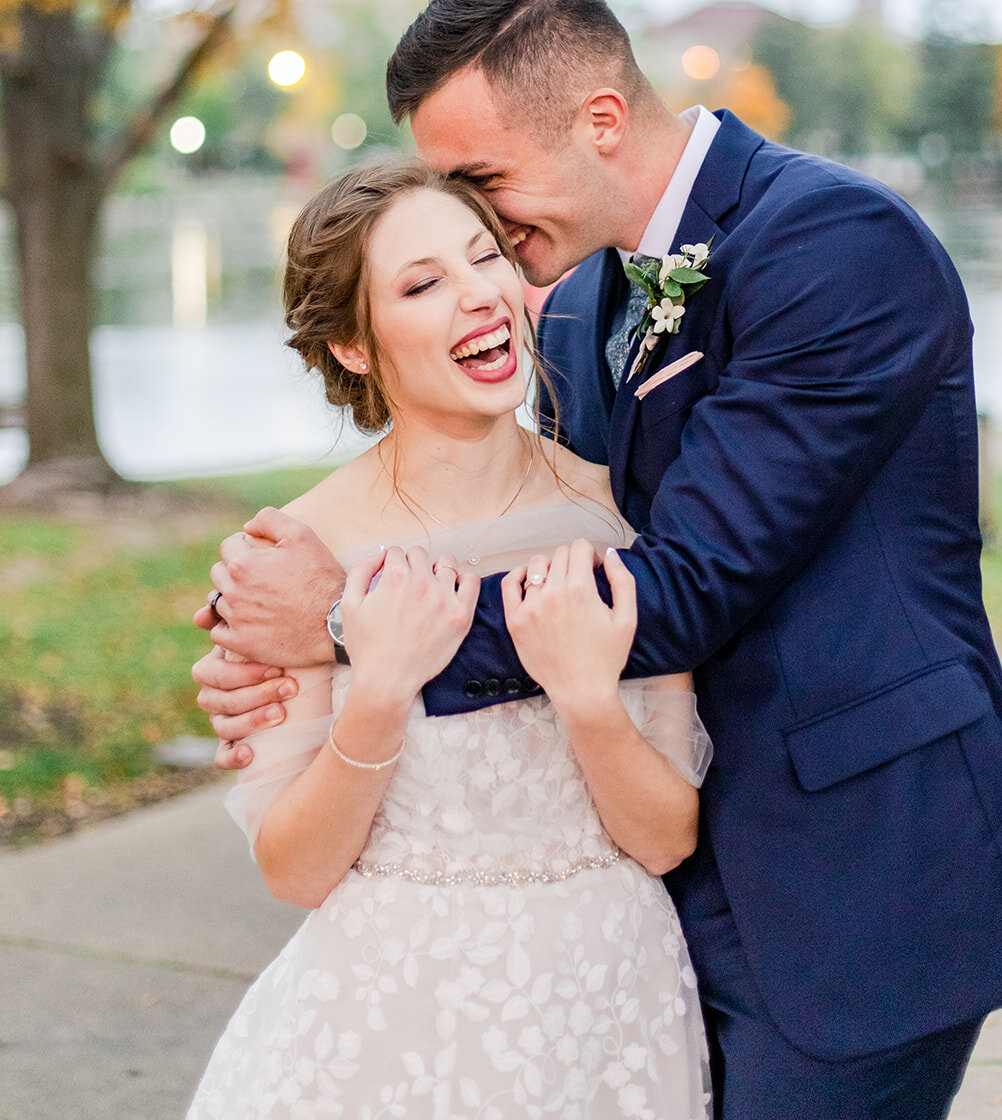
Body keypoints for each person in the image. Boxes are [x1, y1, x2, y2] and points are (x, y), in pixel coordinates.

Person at [195, 0, 1002, 1120]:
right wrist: (287, 654)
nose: (484, 229)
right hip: (660, 912)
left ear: (600, 119)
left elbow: (685, 584)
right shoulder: (581, 298)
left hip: (854, 876)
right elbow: (565, 533)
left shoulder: (835, 245)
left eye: (484, 180)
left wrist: (352, 625)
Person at [186, 159, 714, 1120]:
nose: (478, 296)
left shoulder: (615, 517)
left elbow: (667, 835)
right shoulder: (300, 561)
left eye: (486, 258)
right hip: (387, 1030)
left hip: (609, 1010)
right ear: (352, 344)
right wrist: (378, 692)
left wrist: (590, 702)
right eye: (423, 283)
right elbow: (294, 871)